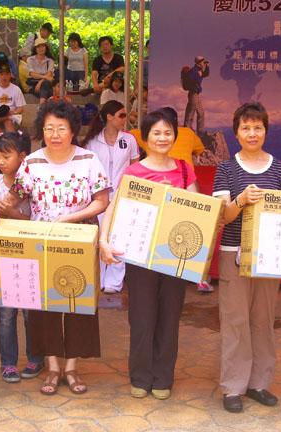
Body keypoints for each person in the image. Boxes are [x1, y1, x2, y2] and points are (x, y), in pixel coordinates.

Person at [6, 100, 110, 395]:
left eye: (61, 128)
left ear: (72, 131)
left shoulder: (88, 159)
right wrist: (1, 199)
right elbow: (15, 197)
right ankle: (52, 368)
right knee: (45, 306)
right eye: (49, 128)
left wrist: (71, 217)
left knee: (78, 302)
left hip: (80, 241)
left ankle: (72, 367)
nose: (54, 134)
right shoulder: (32, 162)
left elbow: (102, 201)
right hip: (42, 244)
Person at [99, 109, 197, 400]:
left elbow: (197, 209)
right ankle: (141, 376)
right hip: (140, 255)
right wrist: (103, 240)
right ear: (145, 138)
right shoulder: (134, 172)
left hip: (175, 254)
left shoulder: (183, 170)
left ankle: (163, 377)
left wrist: (174, 197)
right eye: (156, 133)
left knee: (169, 317)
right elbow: (114, 207)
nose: (162, 138)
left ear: (175, 136)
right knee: (142, 318)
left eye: (168, 132)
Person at [212, 102, 281, 413]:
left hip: (269, 255)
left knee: (263, 319)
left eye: (257, 127)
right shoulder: (226, 169)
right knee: (235, 320)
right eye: (245, 128)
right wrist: (242, 200)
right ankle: (233, 386)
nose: (252, 133)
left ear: (265, 131)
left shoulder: (280, 169)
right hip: (233, 253)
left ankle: (259, 383)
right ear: (236, 133)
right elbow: (224, 216)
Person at [0, 132, 46, 383]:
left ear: (23, 157)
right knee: (6, 313)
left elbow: (37, 220)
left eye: (6, 156)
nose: (1, 162)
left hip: (31, 253)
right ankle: (8, 362)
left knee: (32, 311)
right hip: (5, 254)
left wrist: (12, 213)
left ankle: (36, 357)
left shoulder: (33, 183)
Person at [82, 101, 139, 294]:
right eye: (121, 115)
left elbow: (135, 167)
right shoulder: (93, 141)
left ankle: (114, 282)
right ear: (109, 116)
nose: (125, 119)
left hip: (123, 194)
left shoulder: (129, 139)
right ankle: (97, 278)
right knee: (99, 236)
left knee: (119, 237)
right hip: (99, 195)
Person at [131, 107, 205, 168]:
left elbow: (129, 135)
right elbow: (200, 150)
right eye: (157, 133)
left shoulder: (147, 134)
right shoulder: (188, 133)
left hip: (158, 175)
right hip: (184, 176)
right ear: (177, 121)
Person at [184, 56, 210, 135]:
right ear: (199, 63)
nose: (203, 63)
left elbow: (206, 74)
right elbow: (191, 81)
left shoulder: (199, 70)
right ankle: (187, 129)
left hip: (196, 94)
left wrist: (207, 67)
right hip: (193, 93)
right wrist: (197, 87)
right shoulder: (193, 71)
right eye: (203, 62)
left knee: (201, 113)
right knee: (191, 111)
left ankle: (200, 131)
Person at [26, 38, 55, 104]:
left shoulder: (50, 60)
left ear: (46, 47)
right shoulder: (30, 59)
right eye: (38, 47)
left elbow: (49, 73)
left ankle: (42, 104)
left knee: (45, 84)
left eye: (43, 46)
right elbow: (32, 74)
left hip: (45, 84)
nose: (41, 48)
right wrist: (44, 77)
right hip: (34, 85)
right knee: (49, 92)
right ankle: (44, 105)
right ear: (35, 49)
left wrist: (41, 82)